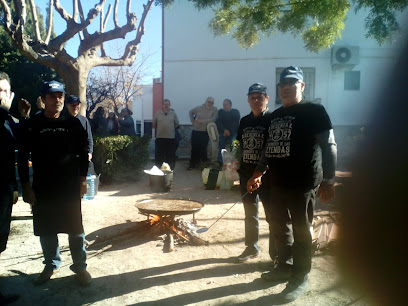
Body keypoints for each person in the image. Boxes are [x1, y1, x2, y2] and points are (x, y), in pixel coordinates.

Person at [247, 66, 337, 302]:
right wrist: (258, 172)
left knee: (301, 230)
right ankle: (283, 266)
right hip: (277, 182)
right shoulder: (275, 115)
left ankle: (300, 276)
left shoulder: (313, 111)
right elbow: (269, 147)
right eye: (282, 84)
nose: (286, 87)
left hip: (303, 182)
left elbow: (329, 144)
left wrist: (329, 178)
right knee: (278, 226)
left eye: (292, 83)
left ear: (302, 86)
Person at [18, 81, 92, 287]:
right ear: (43, 99)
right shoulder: (33, 125)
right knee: (46, 228)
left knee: (75, 229)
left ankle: (80, 267)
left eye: (60, 95)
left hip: (69, 187)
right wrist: (25, 186)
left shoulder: (73, 123)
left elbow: (84, 151)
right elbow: (23, 157)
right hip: (43, 187)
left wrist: (83, 179)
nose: (58, 99)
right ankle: (51, 264)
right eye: (52, 96)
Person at [236, 83, 276, 264]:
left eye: (260, 97)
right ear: (248, 100)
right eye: (252, 97)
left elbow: (273, 148)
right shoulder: (244, 121)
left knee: (273, 214)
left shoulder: (273, 120)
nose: (256, 100)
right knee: (250, 213)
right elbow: (240, 145)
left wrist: (260, 171)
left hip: (268, 175)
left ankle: (277, 254)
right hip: (245, 173)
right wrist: (235, 161)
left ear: (266, 99)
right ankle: (251, 247)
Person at [0, 71, 20, 304]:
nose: (0, 95)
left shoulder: (9, 121)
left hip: (4, 190)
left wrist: (14, 187)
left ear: (11, 95)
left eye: (4, 90)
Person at [188, 97, 218, 170]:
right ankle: (192, 164)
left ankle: (202, 165)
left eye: (212, 102)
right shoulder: (199, 108)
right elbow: (190, 112)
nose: (210, 104)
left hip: (205, 132)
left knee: (203, 149)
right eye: (209, 102)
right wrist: (193, 121)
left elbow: (213, 119)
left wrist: (201, 121)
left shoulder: (214, 109)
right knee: (194, 148)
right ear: (206, 101)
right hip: (196, 131)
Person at [153, 99, 179, 170]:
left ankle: (170, 170)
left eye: (167, 104)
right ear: (162, 105)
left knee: (170, 155)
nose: (166, 105)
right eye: (164, 104)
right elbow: (154, 124)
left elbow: (176, 124)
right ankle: (158, 169)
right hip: (160, 138)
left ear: (169, 105)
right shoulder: (157, 113)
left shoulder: (173, 114)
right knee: (159, 155)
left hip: (171, 138)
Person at [66, 95, 94, 162]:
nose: (75, 107)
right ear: (67, 106)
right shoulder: (62, 119)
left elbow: (89, 138)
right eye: (73, 105)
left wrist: (89, 153)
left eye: (77, 104)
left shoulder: (84, 120)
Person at [216, 99, 240, 165]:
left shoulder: (235, 112)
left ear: (230, 105)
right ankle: (220, 161)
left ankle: (234, 160)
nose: (224, 106)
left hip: (233, 132)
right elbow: (218, 122)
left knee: (234, 143)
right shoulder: (220, 112)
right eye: (223, 104)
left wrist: (229, 131)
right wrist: (224, 130)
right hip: (223, 132)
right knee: (221, 144)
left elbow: (236, 122)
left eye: (226, 104)